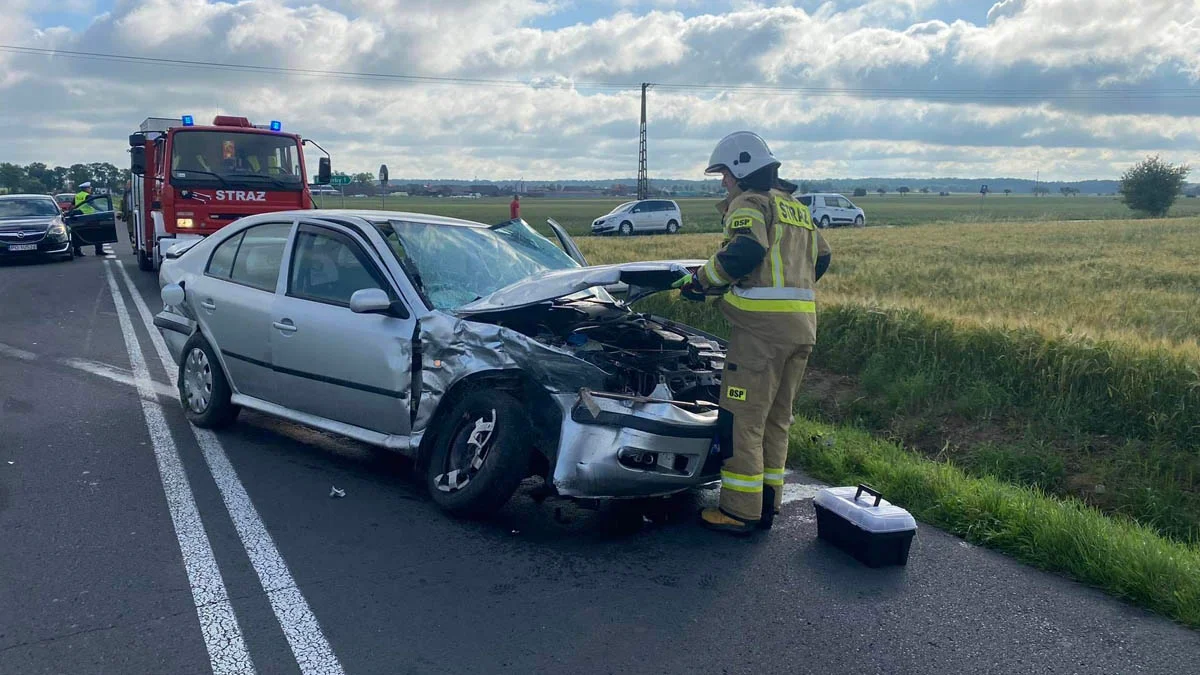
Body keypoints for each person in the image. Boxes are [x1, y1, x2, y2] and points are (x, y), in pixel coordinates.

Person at [676, 131, 831, 535]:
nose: (724, 183)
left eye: (724, 174)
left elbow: (744, 252)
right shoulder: (796, 207)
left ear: (741, 170)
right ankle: (766, 504)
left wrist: (701, 282)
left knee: (742, 420)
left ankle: (739, 511)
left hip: (760, 332)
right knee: (777, 419)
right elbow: (823, 257)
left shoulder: (750, 202)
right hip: (802, 329)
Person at [72, 182, 102, 256]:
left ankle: (77, 251)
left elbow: (73, 205)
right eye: (89, 188)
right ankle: (99, 250)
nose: (90, 189)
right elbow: (93, 205)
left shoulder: (77, 195)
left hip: (80, 216)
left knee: (79, 234)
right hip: (89, 217)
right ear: (86, 189)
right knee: (97, 233)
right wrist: (101, 210)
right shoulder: (87, 196)